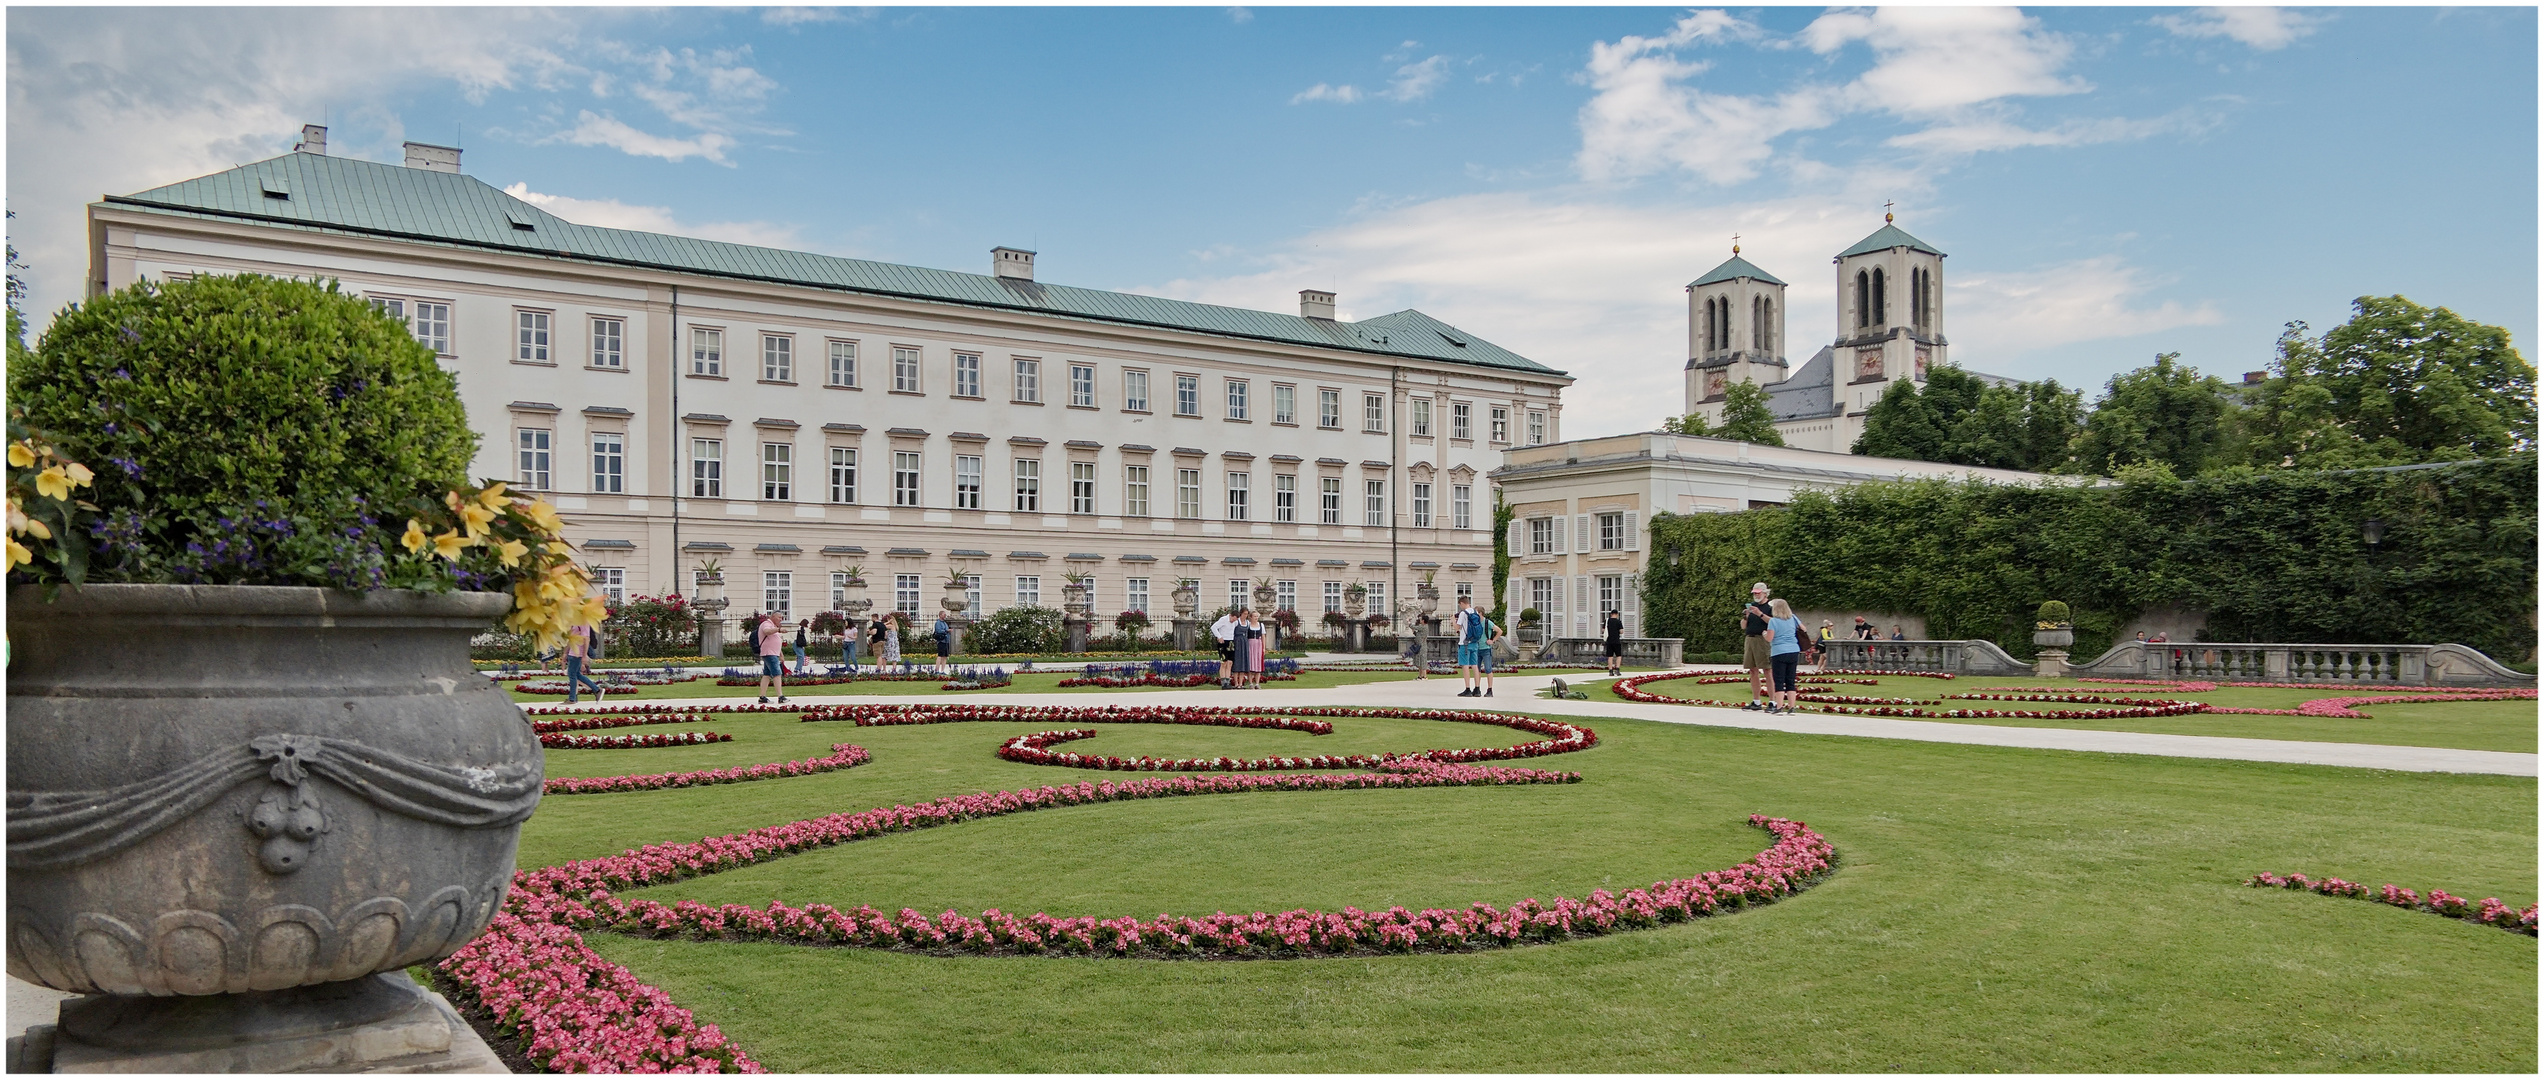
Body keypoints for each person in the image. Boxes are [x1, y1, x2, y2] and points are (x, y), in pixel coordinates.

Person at [1765, 599, 1806, 714]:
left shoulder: (1773, 621)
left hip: (1779, 651)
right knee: (1790, 680)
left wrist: (1764, 634)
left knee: (1779, 680)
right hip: (1793, 650)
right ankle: (1792, 707)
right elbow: (1804, 629)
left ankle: (1779, 707)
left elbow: (1769, 638)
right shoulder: (1793, 618)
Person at [1739, 583, 1774, 710]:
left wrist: (1759, 614)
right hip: (1750, 639)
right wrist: (1746, 616)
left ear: (1765, 593)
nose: (1756, 595)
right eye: (1754, 593)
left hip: (1763, 639)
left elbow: (1773, 622)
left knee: (1767, 670)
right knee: (1752, 670)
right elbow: (1743, 626)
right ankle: (1756, 701)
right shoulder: (1752, 606)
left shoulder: (1770, 607)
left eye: (1758, 593)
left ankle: (1772, 702)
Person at [1454, 596, 1492, 697]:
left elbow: (1458, 628)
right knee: (1475, 665)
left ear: (1462, 603)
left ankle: (1467, 688)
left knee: (1465, 665)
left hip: (1464, 642)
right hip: (1475, 642)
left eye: (1460, 605)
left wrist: (1453, 620)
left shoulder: (1463, 613)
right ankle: (1477, 688)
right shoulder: (1475, 612)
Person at [563, 621, 603, 704]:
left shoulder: (583, 622)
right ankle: (596, 690)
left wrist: (584, 655)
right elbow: (571, 638)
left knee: (572, 674)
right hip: (573, 651)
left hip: (577, 653)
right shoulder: (575, 622)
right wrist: (565, 653)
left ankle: (572, 699)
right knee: (576, 674)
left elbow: (586, 639)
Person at [754, 611, 787, 704]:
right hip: (769, 653)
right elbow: (767, 631)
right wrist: (778, 629)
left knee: (767, 675)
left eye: (781, 618)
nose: (781, 619)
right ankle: (780, 697)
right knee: (777, 673)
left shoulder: (773, 626)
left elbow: (775, 641)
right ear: (773, 617)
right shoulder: (766, 624)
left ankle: (762, 697)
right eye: (779, 617)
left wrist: (780, 654)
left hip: (772, 653)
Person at [1210, 608, 1239, 689]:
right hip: (1223, 642)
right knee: (1224, 662)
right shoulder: (1223, 620)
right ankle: (1223, 683)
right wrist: (1219, 636)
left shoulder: (1235, 622)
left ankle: (1228, 681)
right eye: (1233, 619)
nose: (1234, 621)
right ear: (1231, 616)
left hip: (1231, 642)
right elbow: (1213, 627)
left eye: (1236, 620)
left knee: (1230, 663)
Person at [1602, 607, 1625, 676]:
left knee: (1610, 656)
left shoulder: (1607, 621)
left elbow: (1603, 630)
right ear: (1617, 614)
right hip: (1616, 641)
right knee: (1618, 655)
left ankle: (1610, 671)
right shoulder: (1618, 622)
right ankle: (1617, 670)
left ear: (1611, 614)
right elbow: (1621, 631)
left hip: (1609, 641)